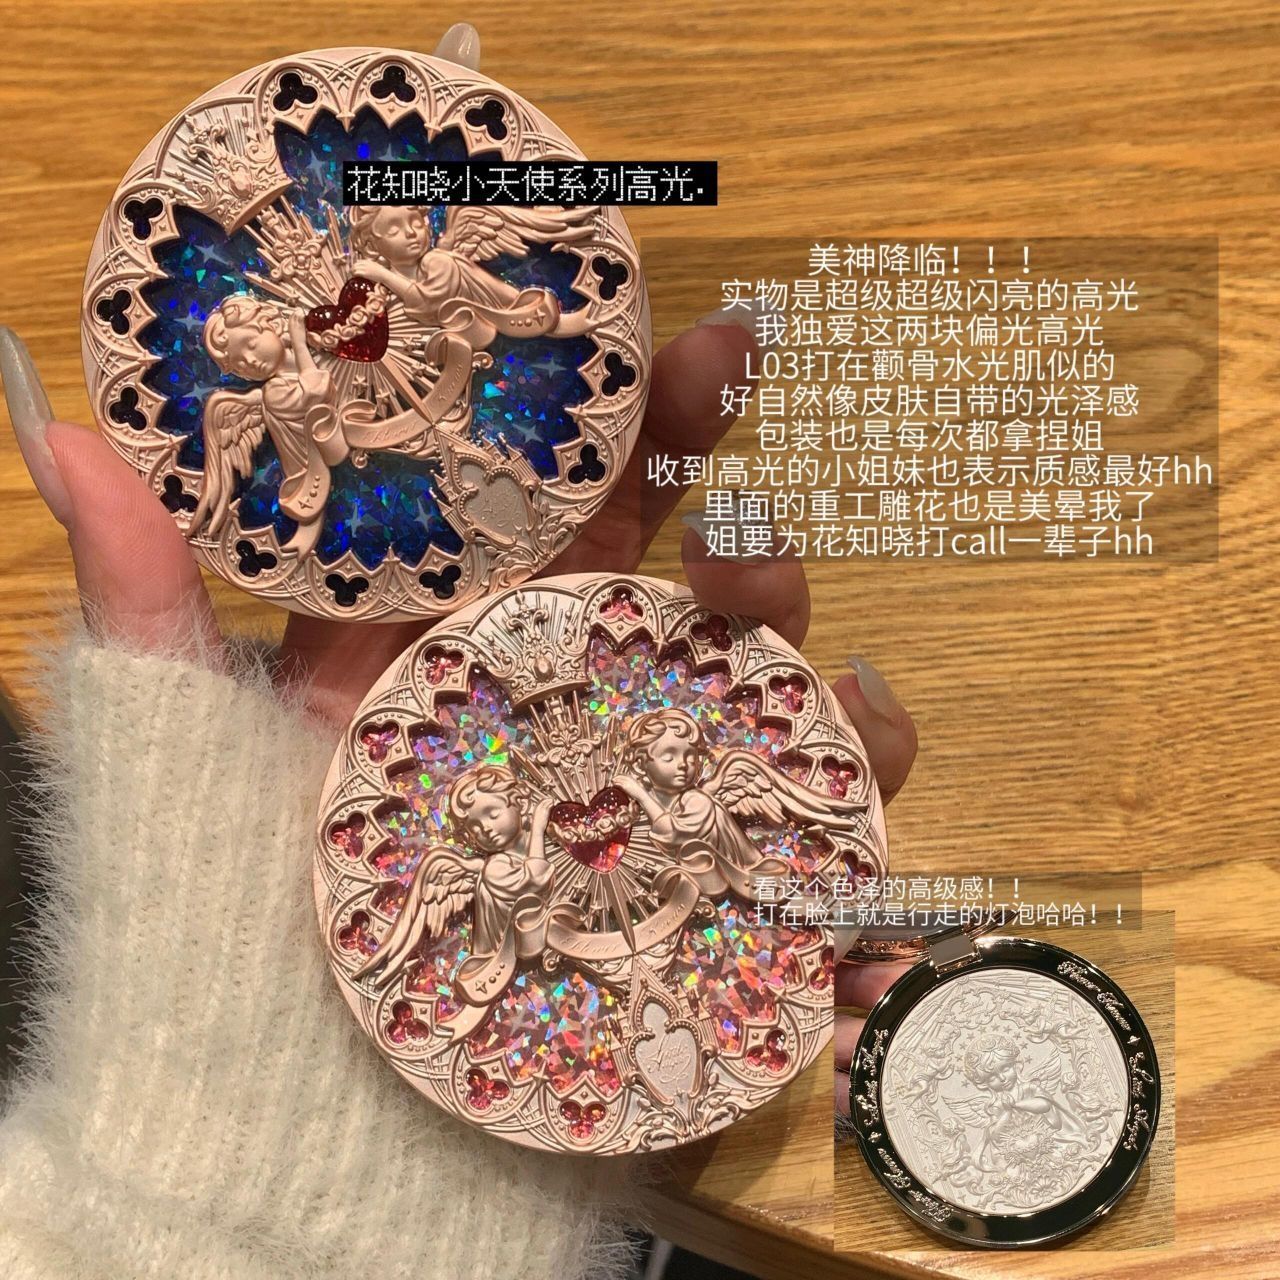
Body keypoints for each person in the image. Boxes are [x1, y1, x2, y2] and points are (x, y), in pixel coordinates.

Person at [0, 26, 917, 1277]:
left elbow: (467, 317)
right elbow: (303, 458)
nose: (280, 343)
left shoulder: (427, 285)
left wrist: (201, 1204)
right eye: (256, 345)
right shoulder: (277, 394)